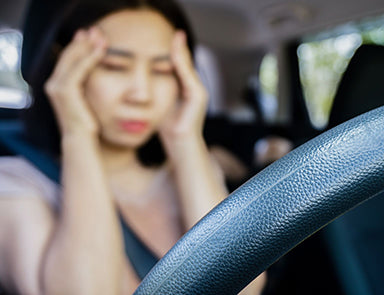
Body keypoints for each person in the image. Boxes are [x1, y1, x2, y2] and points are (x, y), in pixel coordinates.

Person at [0, 0, 266, 294]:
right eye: (114, 66)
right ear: (64, 69)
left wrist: (185, 139)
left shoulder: (195, 173)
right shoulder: (15, 186)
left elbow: (246, 289)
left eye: (163, 70)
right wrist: (78, 134)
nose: (141, 94)